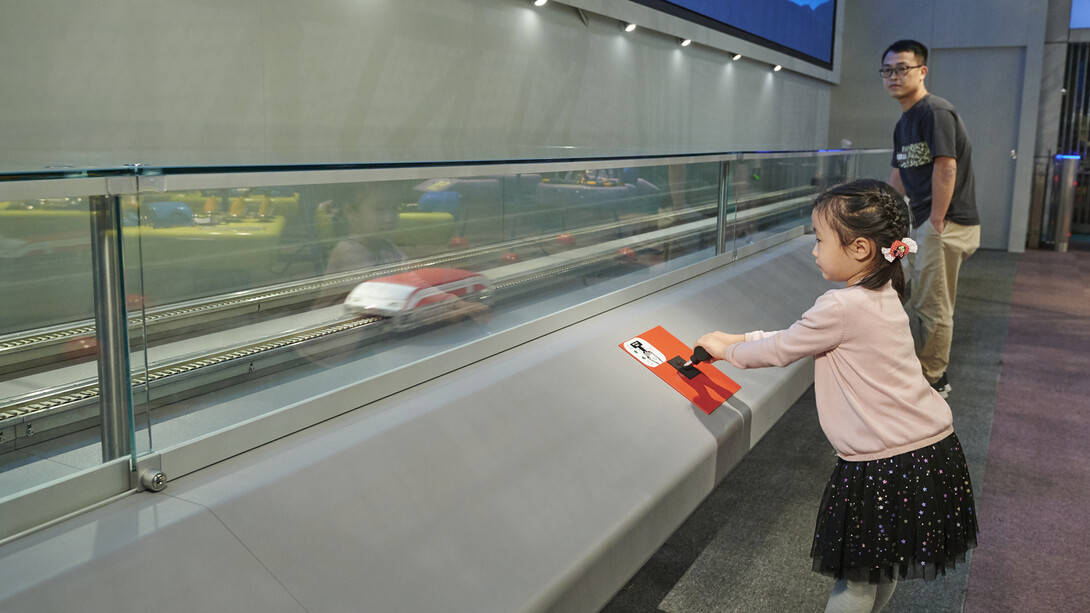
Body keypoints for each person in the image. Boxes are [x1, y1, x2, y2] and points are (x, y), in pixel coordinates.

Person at [695, 179, 978, 613]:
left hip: (883, 464)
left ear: (861, 248)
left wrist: (727, 351)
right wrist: (738, 337)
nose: (814, 249)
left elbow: (782, 349)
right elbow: (798, 337)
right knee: (883, 569)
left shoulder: (840, 306)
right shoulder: (882, 294)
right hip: (930, 451)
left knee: (856, 582)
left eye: (819, 238)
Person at [881, 39, 980, 398]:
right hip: (926, 222)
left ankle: (934, 378)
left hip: (946, 222)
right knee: (910, 291)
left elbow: (946, 166)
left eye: (902, 68)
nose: (894, 76)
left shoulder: (934, 111)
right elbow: (899, 175)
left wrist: (936, 222)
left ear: (922, 71)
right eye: (887, 70)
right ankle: (916, 364)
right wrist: (883, 219)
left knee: (932, 303)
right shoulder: (905, 121)